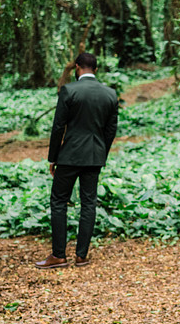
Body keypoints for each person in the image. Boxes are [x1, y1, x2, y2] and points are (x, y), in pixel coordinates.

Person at [36, 52, 119, 269]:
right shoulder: (110, 94)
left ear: (77, 67)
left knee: (59, 201)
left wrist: (53, 158)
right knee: (88, 203)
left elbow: (58, 126)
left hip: (70, 156)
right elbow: (110, 130)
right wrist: (102, 153)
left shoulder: (69, 90)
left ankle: (59, 255)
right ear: (96, 69)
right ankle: (81, 255)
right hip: (94, 156)